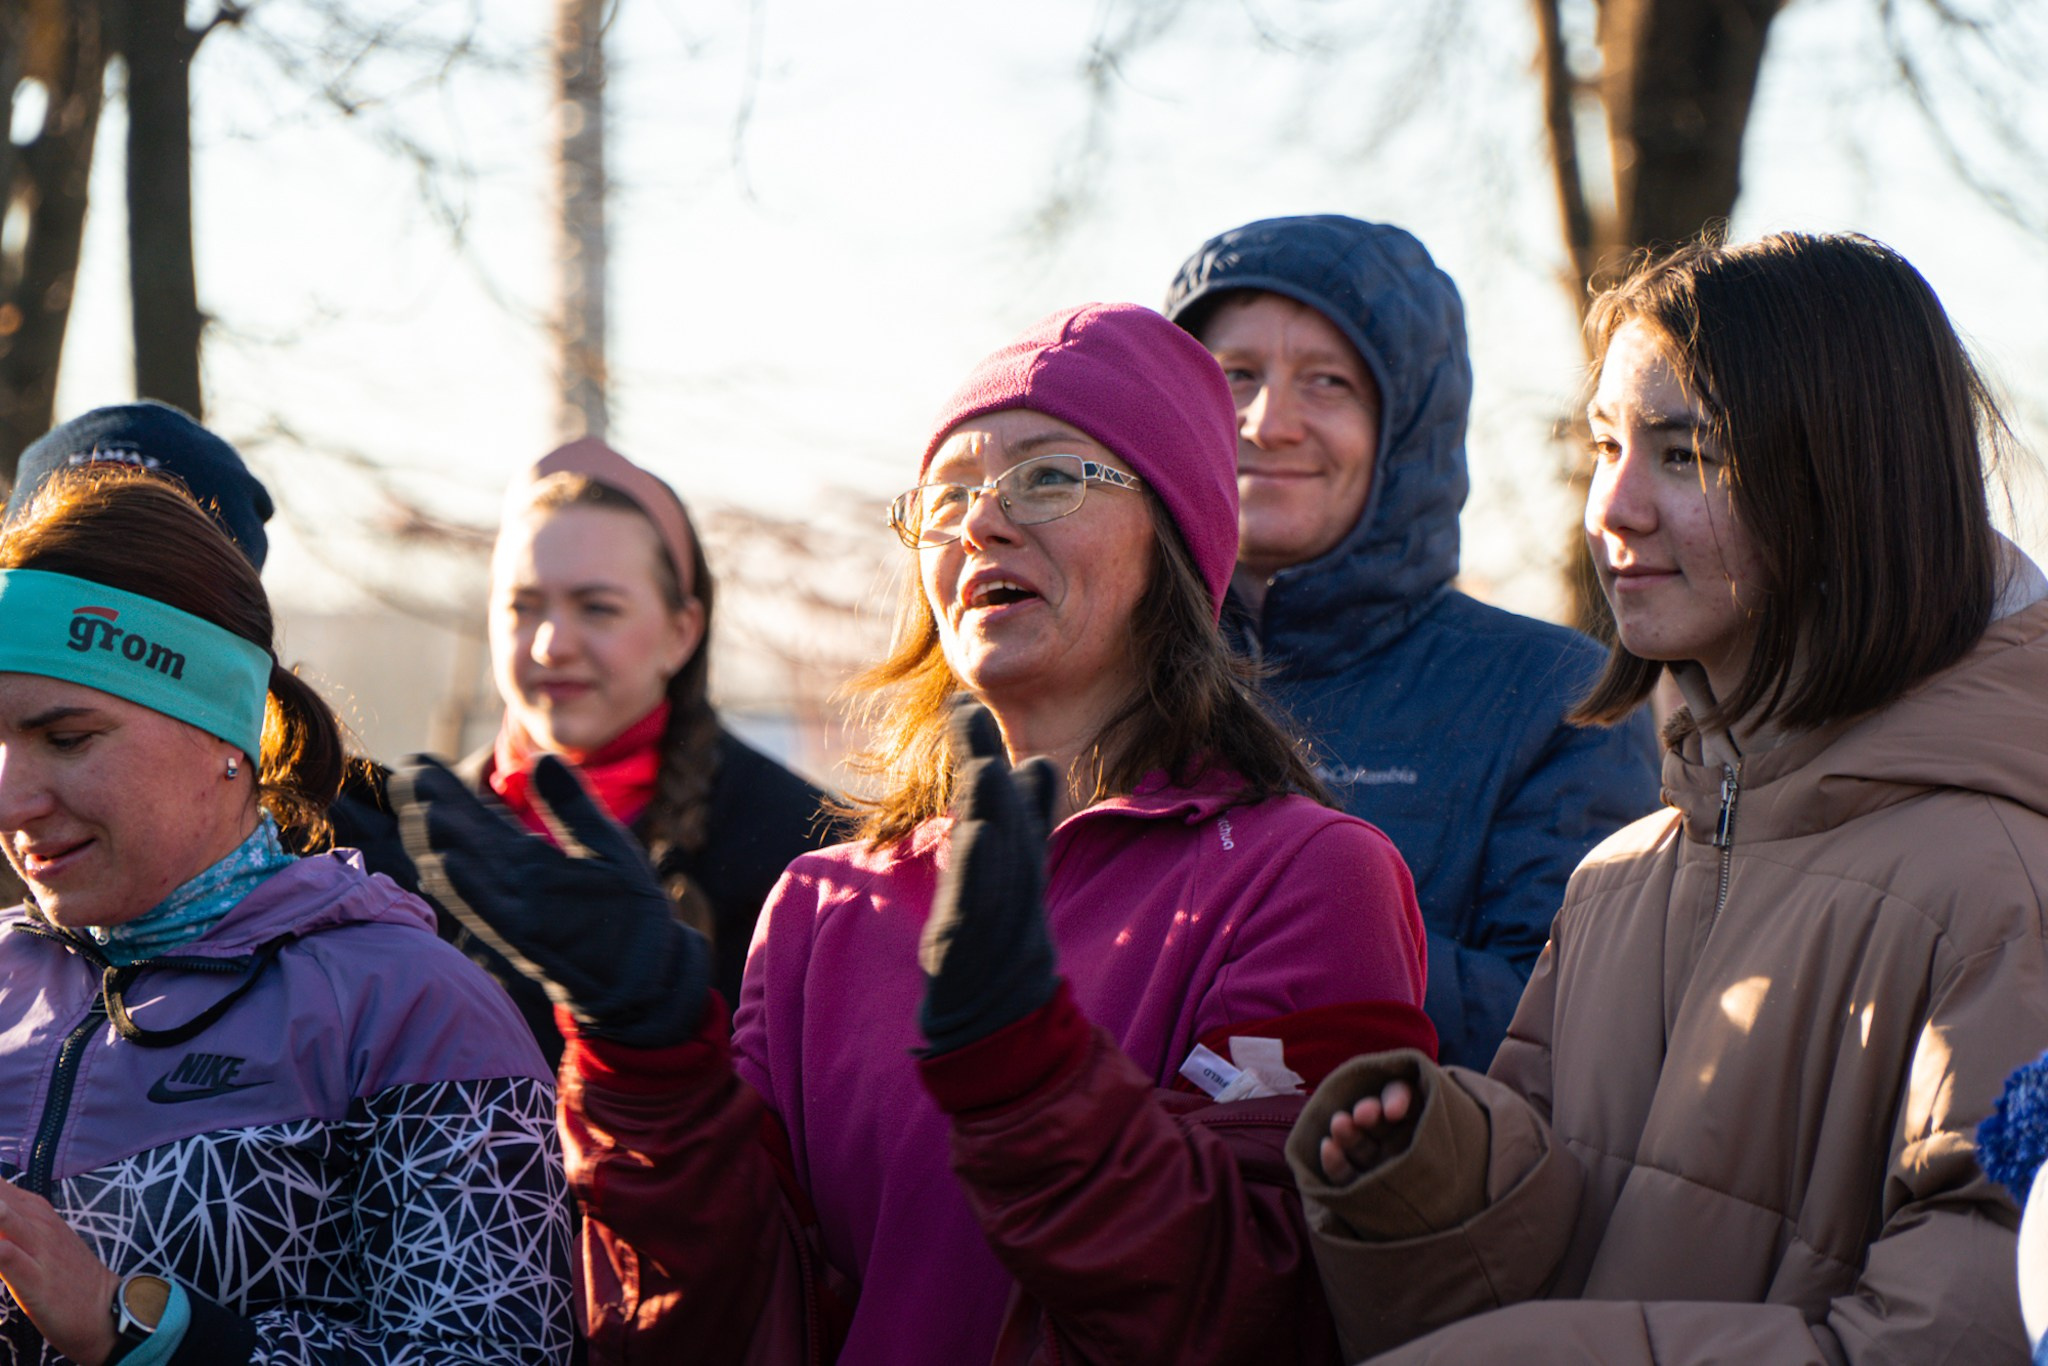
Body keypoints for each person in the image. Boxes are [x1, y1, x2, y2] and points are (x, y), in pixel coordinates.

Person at [401, 302, 1438, 1365]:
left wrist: (1026, 1066)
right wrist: (647, 1066)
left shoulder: (1310, 875)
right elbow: (729, 1327)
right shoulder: (821, 904)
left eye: (1048, 476)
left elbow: (1263, 1308)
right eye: (947, 495)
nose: (981, 523)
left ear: (1174, 534)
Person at [1285, 232, 2048, 1363]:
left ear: (1845, 480)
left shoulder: (2001, 889)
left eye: (1685, 454)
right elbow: (1572, 1230)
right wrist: (1442, 1176)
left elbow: (1955, 1338)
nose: (1614, 507)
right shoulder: (1616, 878)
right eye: (1605, 445)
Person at [0, 468, 574, 1364]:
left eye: (66, 739)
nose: (12, 800)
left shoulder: (412, 1009)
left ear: (221, 731)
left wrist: (139, 1329)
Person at [1165, 215, 1661, 1068]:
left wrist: (1287, 927)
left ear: (1410, 430)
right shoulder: (1105, 668)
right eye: (1235, 375)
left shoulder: (1553, 696)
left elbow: (1564, 1029)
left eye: (1327, 383)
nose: (1267, 422)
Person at [367, 438, 833, 1064]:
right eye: (523, 607)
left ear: (681, 632)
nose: (551, 645)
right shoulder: (400, 834)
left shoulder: (806, 851)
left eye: (597, 608)